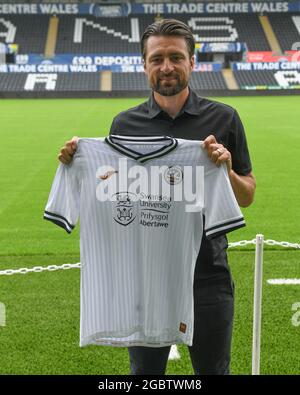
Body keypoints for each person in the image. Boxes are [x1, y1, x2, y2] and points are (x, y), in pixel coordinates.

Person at [58, 19, 256, 375]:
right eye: (158, 58)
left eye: (176, 57)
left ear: (192, 62)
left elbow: (247, 196)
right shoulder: (124, 125)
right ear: (144, 64)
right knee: (145, 376)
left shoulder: (224, 118)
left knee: (213, 372)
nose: (167, 67)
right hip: (144, 278)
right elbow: (113, 193)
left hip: (207, 276)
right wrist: (80, 166)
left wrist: (225, 170)